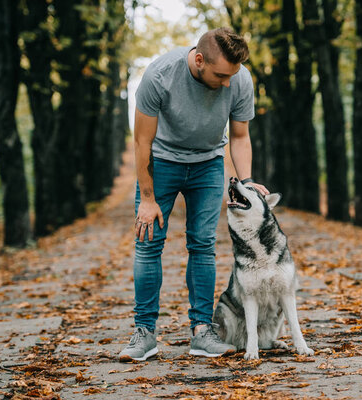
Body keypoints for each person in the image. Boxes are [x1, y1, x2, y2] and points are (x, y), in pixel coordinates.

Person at [119, 27, 269, 361]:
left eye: (232, 75)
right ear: (199, 60)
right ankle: (144, 334)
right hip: (162, 163)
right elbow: (142, 141)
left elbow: (240, 136)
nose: (228, 82)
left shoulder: (240, 78)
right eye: (220, 75)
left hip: (208, 165)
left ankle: (202, 331)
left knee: (202, 245)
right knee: (148, 244)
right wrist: (147, 197)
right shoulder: (160, 75)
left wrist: (246, 181)